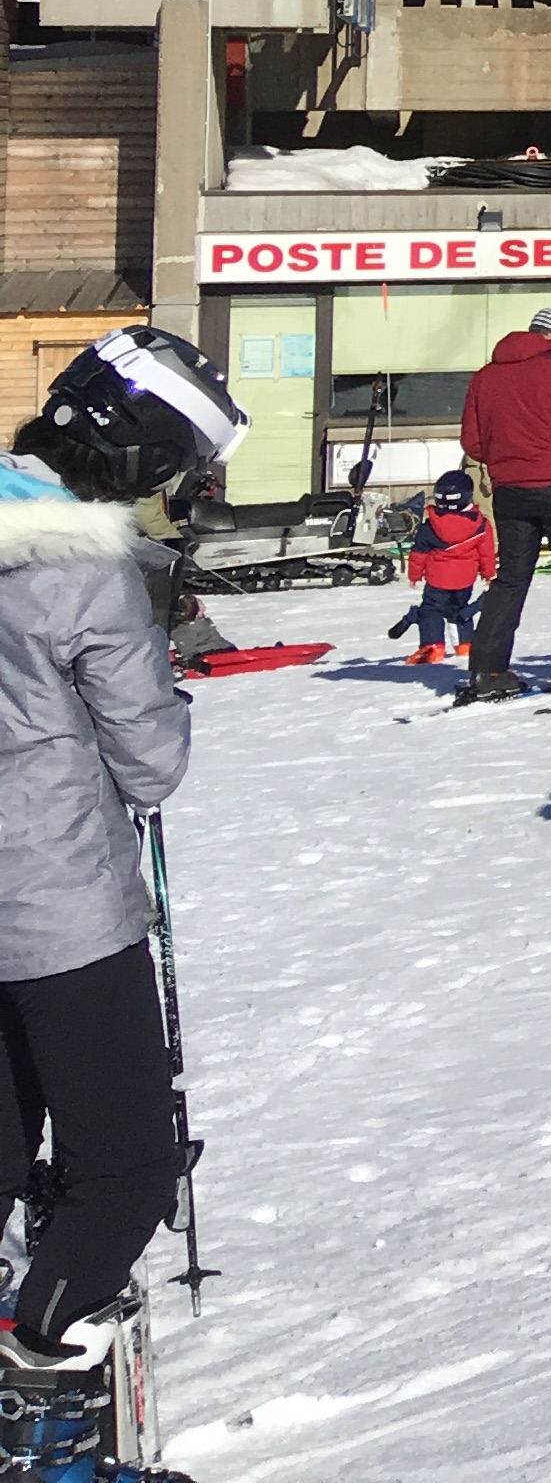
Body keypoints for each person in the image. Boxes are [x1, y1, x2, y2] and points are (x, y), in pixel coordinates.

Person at [0, 326, 239, 1464]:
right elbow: (150, 763)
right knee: (128, 1162)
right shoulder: (80, 567)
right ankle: (45, 1342)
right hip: (55, 904)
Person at [455, 306, 551, 701]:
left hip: (511, 490)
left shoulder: (485, 377)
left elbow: (473, 443)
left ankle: (487, 668)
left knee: (510, 578)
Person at [400, 468, 492, 666]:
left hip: (437, 580)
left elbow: (419, 554)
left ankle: (433, 646)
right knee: (459, 609)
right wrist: (488, 573)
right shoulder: (481, 524)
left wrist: (414, 575)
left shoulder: (430, 526)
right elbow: (486, 552)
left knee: (431, 611)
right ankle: (464, 644)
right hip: (465, 580)